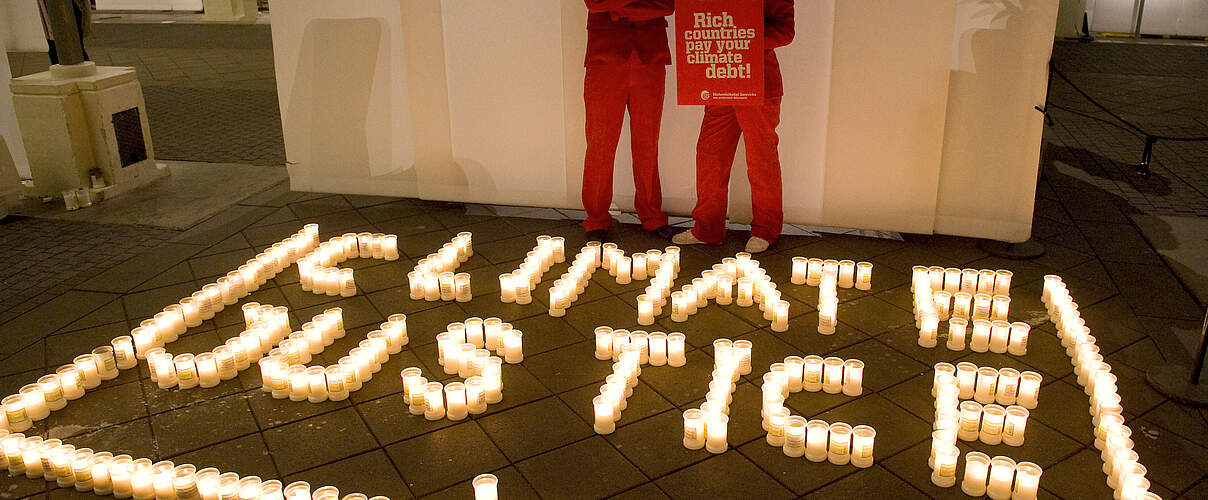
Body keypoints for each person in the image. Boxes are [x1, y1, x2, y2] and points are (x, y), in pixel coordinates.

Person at [674, 0, 794, 253]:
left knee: (761, 158)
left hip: (759, 84)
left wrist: (740, 35)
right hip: (720, 79)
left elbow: (785, 31)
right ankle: (707, 228)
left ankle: (765, 229)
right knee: (710, 157)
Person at [581, 0, 679, 242]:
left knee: (648, 143)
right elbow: (594, 2)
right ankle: (596, 217)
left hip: (650, 58)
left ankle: (652, 214)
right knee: (600, 143)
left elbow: (668, 5)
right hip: (605, 58)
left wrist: (615, 10)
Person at [38, 0, 93, 65]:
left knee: (75, 48)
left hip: (67, 5)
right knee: (55, 48)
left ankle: (82, 71)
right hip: (54, 6)